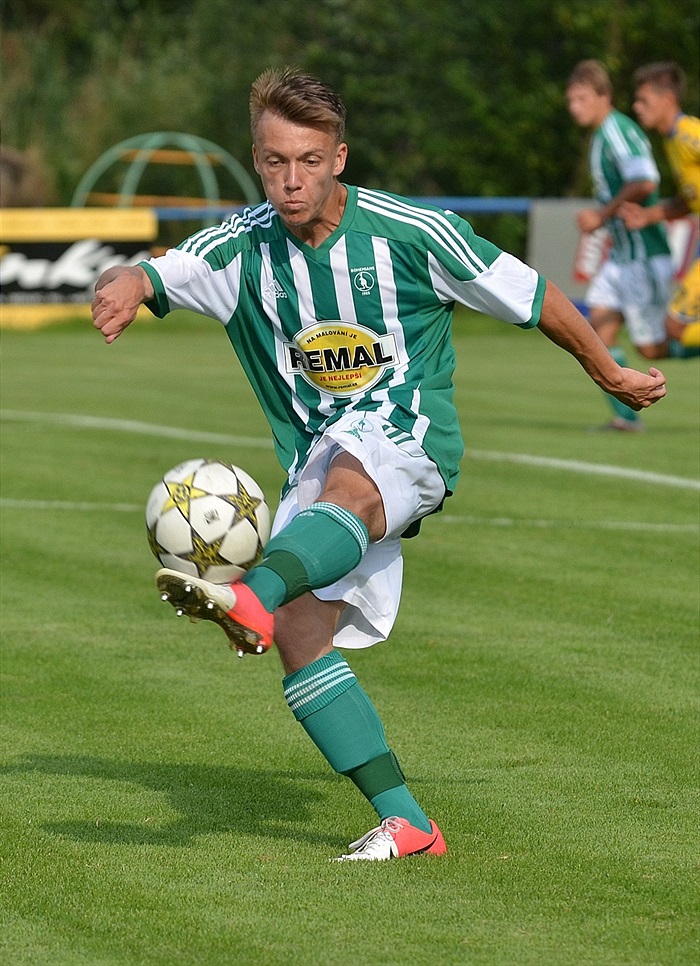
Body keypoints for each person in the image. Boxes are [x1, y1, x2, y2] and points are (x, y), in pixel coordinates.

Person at [92, 68, 666, 862]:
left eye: (309, 160)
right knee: (300, 634)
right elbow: (157, 270)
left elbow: (533, 294)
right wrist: (120, 283)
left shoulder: (412, 232)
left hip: (410, 434)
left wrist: (609, 372)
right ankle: (408, 822)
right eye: (273, 161)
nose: (291, 180)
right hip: (315, 460)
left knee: (346, 490)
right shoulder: (243, 246)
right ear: (256, 160)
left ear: (340, 158)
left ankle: (250, 594)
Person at [566, 59, 674, 432]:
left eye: (581, 98)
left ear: (603, 96)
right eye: (571, 100)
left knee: (652, 349)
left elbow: (644, 180)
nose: (573, 107)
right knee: (598, 332)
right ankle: (626, 418)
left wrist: (601, 215)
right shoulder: (601, 135)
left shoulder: (616, 130)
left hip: (643, 255)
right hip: (622, 258)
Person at [619, 61, 700, 357]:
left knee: (674, 328)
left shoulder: (688, 133)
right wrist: (649, 215)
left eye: (644, 100)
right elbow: (688, 201)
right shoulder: (671, 143)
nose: (637, 107)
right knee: (675, 331)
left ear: (667, 100)